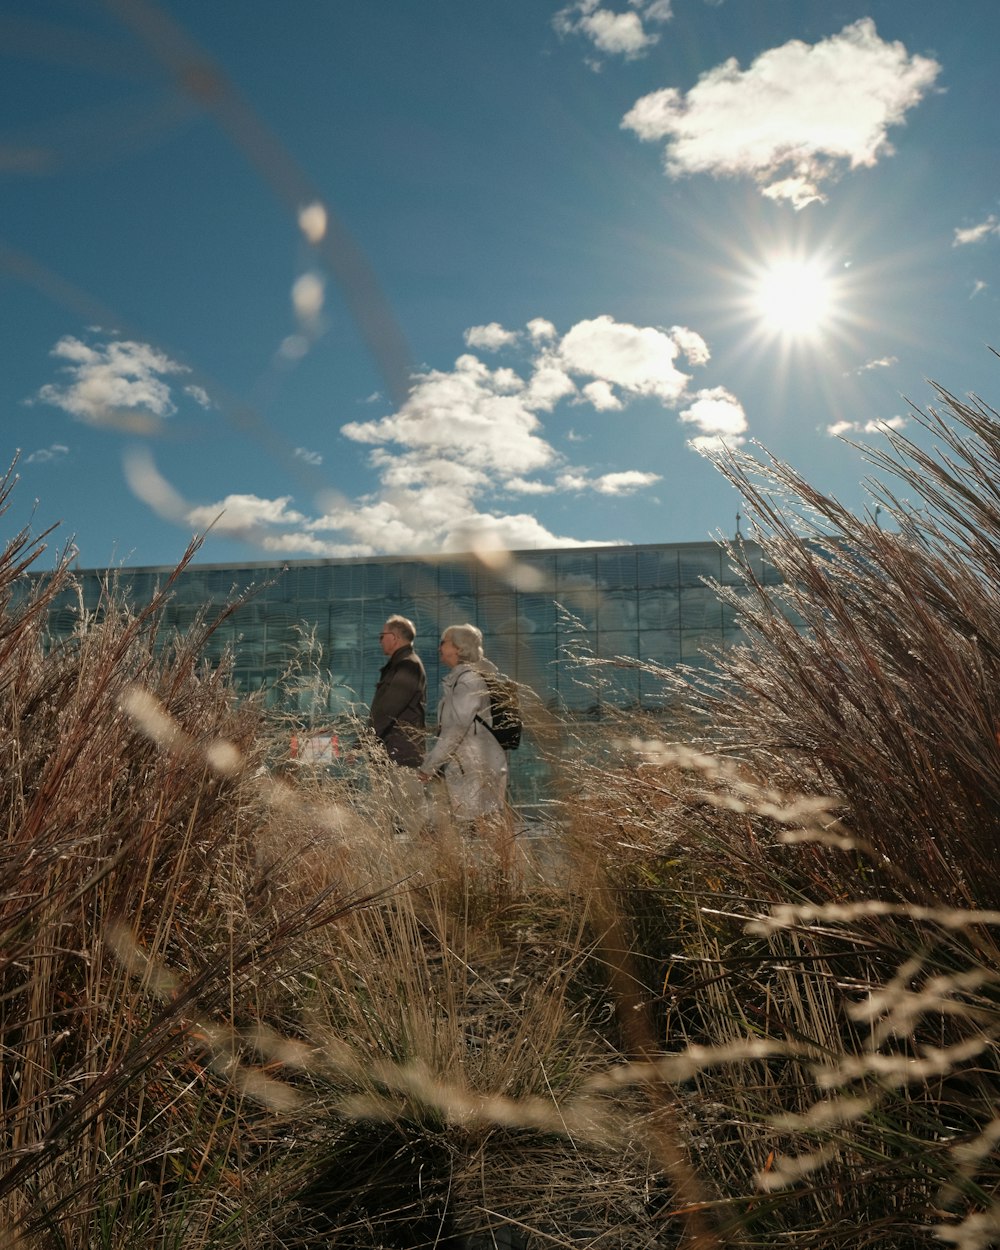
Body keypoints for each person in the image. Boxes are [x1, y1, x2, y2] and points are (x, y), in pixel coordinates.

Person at [417, 623, 508, 824]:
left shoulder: (468, 681)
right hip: (473, 767)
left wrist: (429, 767)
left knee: (473, 832)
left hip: (472, 769)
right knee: (473, 831)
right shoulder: (466, 679)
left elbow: (455, 730)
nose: (439, 648)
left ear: (459, 648)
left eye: (443, 643)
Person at [369, 614, 426, 767]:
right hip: (392, 753)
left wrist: (362, 742)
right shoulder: (400, 664)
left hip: (400, 756)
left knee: (403, 792)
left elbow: (388, 709)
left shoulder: (408, 665)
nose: (380, 641)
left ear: (394, 637)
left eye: (382, 636)